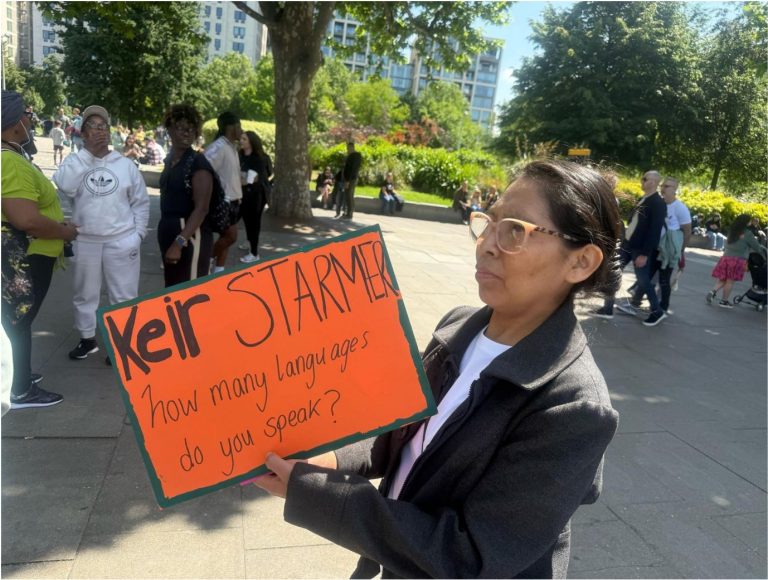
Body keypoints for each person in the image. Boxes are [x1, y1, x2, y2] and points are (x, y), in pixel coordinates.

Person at [252, 159, 621, 578]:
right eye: (488, 222)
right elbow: (400, 433)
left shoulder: (574, 407)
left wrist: (319, 495)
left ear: (580, 262)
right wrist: (333, 459)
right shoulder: (457, 327)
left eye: (515, 230)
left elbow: (469, 557)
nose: (486, 244)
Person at [53, 105, 149, 361]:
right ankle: (87, 339)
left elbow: (140, 202)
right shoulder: (75, 161)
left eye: (103, 126)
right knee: (84, 294)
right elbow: (64, 185)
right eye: (92, 126)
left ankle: (123, 344)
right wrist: (88, 156)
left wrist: (138, 235)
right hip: (86, 241)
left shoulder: (125, 165)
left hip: (121, 240)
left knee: (124, 295)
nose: (99, 130)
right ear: (83, 133)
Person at [1, 90, 78, 408]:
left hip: (29, 255)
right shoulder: (8, 161)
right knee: (17, 319)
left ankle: (18, 375)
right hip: (25, 258)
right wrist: (64, 231)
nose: (31, 120)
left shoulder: (11, 155)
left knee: (18, 319)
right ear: (14, 122)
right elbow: (26, 220)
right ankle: (18, 390)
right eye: (27, 114)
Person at [590, 170, 667, 326]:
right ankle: (608, 309)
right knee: (612, 273)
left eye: (644, 179)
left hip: (640, 249)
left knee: (643, 281)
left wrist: (645, 254)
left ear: (653, 182)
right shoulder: (644, 198)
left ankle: (657, 311)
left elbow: (655, 231)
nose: (641, 181)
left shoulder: (658, 203)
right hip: (628, 245)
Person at [158, 104, 215, 286]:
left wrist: (179, 243)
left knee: (191, 291)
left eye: (191, 129)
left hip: (190, 235)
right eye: (181, 127)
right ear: (169, 129)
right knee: (173, 290)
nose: (187, 132)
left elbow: (202, 208)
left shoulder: (198, 162)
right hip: (170, 231)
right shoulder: (170, 160)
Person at [628, 177, 691, 315]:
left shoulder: (680, 208)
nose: (663, 188)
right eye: (662, 185)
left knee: (663, 280)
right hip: (654, 247)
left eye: (667, 186)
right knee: (646, 276)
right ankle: (635, 302)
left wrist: (680, 251)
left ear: (675, 190)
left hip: (668, 250)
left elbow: (687, 231)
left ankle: (663, 307)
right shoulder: (658, 203)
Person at [205, 111, 243, 274]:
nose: (242, 130)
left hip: (234, 201)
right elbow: (204, 170)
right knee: (230, 237)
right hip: (224, 202)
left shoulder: (231, 147)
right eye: (239, 126)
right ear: (231, 127)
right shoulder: (219, 147)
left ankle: (218, 270)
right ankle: (206, 260)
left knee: (225, 238)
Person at [707, 214, 767, 308]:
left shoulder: (732, 231)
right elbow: (757, 247)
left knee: (723, 278)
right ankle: (724, 301)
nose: (750, 222)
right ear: (746, 222)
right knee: (730, 281)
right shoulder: (747, 233)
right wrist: (763, 253)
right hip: (737, 259)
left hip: (725, 257)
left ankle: (713, 291)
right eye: (749, 220)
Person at [238, 130, 272, 264]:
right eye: (241, 138)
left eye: (244, 139)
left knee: (253, 222)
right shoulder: (240, 155)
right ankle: (249, 240)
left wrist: (245, 178)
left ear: (251, 142)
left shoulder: (259, 158)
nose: (241, 141)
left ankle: (254, 253)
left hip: (257, 194)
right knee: (246, 219)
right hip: (243, 193)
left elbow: (253, 178)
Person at [338, 141, 362, 219]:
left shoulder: (354, 156)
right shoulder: (353, 156)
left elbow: (352, 169)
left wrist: (348, 180)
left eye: (348, 148)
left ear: (351, 147)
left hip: (351, 179)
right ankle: (348, 212)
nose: (347, 150)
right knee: (349, 195)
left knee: (349, 195)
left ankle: (349, 213)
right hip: (350, 178)